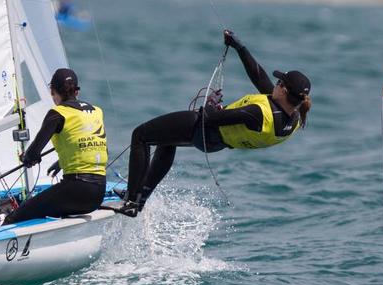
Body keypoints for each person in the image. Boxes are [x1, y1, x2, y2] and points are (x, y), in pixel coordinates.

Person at [122, 29, 312, 215]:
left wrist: (212, 103)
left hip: (203, 130)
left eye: (279, 83)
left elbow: (211, 117)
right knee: (166, 141)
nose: (275, 84)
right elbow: (259, 77)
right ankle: (141, 197)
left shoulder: (259, 113)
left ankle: (131, 201)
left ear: (284, 91)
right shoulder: (293, 119)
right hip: (216, 142)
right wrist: (240, 47)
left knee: (140, 136)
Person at [2, 68, 110, 225]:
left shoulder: (58, 113)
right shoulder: (96, 111)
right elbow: (98, 149)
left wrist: (28, 158)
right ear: (76, 92)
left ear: (53, 92)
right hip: (98, 192)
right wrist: (61, 162)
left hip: (76, 190)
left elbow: (33, 153)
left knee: (14, 217)